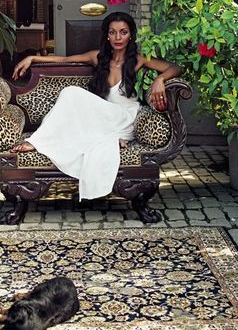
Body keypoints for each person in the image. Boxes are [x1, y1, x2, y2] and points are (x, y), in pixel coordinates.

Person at [11, 11, 180, 201]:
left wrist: (160, 79)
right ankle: (102, 139)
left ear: (130, 35)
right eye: (113, 32)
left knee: (71, 93)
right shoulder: (97, 57)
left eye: (123, 32)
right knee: (70, 94)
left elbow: (175, 67)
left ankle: (37, 141)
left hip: (126, 118)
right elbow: (65, 60)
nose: (118, 37)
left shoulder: (139, 60)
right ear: (107, 35)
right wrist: (33, 58)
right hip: (104, 118)